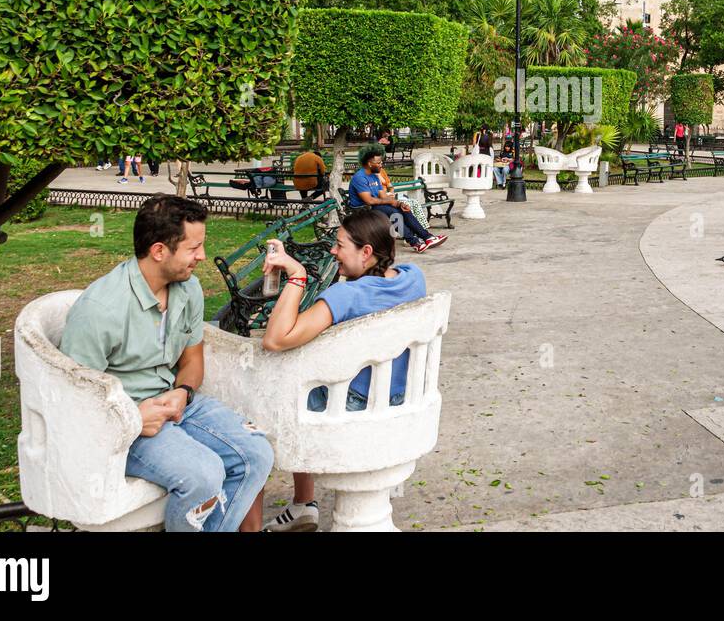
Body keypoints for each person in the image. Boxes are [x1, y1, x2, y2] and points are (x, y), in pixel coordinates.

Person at [60, 196, 273, 531]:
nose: (202, 256)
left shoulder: (188, 289)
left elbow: (192, 361)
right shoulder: (100, 309)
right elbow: (73, 402)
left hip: (176, 402)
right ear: (159, 251)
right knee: (203, 475)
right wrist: (131, 419)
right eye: (194, 248)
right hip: (124, 422)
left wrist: (184, 391)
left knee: (257, 453)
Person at [257, 209, 428, 531]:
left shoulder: (347, 294)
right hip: (400, 399)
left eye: (339, 245)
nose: (332, 252)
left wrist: (296, 274)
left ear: (366, 252)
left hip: (352, 408)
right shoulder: (412, 277)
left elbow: (276, 339)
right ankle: (302, 505)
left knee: (260, 404)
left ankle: (287, 506)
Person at [346, 145, 444, 253]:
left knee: (405, 208)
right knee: (394, 213)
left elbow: (383, 196)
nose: (381, 165)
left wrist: (398, 203)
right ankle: (415, 242)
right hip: (362, 209)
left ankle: (427, 237)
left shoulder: (374, 176)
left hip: (375, 206)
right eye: (378, 163)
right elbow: (369, 200)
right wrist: (392, 203)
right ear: (370, 164)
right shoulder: (360, 177)